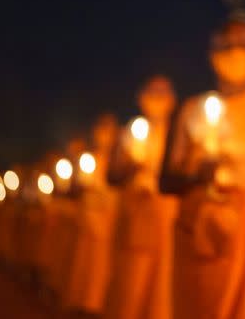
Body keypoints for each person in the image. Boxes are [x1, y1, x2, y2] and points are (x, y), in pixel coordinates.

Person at [165, 18, 245, 319]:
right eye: (227, 45)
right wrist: (197, 176)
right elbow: (166, 180)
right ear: (212, 53)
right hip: (201, 236)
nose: (236, 52)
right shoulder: (190, 110)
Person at [104, 75, 178, 319]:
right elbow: (111, 176)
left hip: (169, 222)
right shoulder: (129, 133)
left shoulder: (177, 135)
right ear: (141, 98)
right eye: (152, 93)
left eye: (163, 93)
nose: (157, 99)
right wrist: (131, 166)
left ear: (172, 100)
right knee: (132, 285)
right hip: (136, 220)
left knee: (164, 290)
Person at [63, 112, 120, 316]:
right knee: (87, 266)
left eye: (109, 131)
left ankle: (101, 306)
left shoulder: (118, 160)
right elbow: (80, 186)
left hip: (111, 220)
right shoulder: (90, 159)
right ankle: (84, 305)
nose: (104, 135)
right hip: (91, 218)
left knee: (105, 270)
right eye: (101, 130)